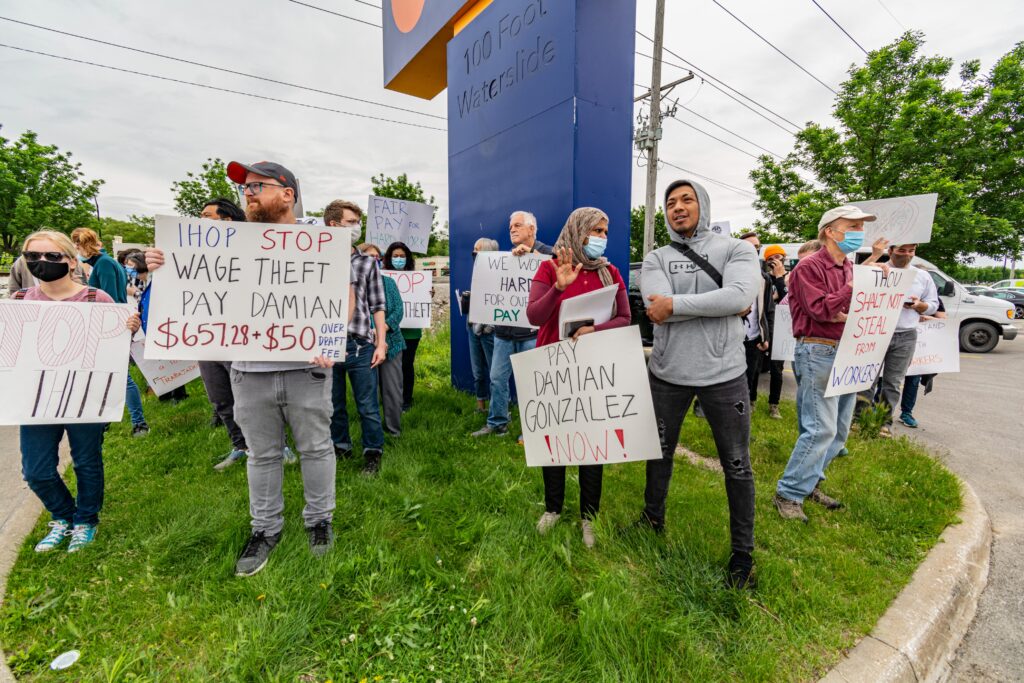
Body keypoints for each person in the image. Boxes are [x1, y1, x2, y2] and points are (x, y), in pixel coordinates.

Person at [147, 160, 343, 576]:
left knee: (316, 448)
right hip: (248, 370)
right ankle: (265, 529)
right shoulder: (221, 244)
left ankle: (319, 521)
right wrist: (164, 264)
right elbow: (190, 285)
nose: (248, 193)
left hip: (306, 368)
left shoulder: (319, 241)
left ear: (287, 194)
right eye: (244, 188)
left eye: (258, 185)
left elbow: (339, 295)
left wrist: (330, 337)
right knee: (261, 454)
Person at [637, 179, 761, 589]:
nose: (677, 207)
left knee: (737, 465)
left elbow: (741, 295)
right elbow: (656, 310)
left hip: (724, 376)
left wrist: (678, 304)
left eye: (686, 200)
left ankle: (742, 555)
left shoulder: (737, 250)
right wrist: (716, 302)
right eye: (670, 202)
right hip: (668, 373)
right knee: (658, 454)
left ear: (702, 205)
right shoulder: (656, 257)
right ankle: (651, 520)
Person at [13, 230, 141, 553]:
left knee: (86, 461)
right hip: (37, 400)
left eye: (52, 256)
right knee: (36, 470)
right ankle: (63, 515)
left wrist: (127, 329)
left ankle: (85, 520)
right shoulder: (19, 303)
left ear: (71, 261)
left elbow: (114, 349)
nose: (42, 262)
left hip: (85, 397)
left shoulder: (97, 300)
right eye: (34, 257)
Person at [774, 205, 888, 523]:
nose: (857, 232)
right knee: (819, 428)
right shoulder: (808, 268)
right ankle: (789, 493)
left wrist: (876, 281)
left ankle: (809, 483)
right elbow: (823, 310)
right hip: (818, 352)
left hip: (847, 352)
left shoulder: (848, 268)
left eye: (859, 227)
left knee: (838, 432)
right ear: (829, 231)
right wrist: (854, 287)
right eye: (851, 226)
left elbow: (847, 308)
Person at [525, 208, 630, 548]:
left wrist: (594, 329)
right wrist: (558, 287)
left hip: (592, 369)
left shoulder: (610, 272)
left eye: (605, 231)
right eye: (595, 230)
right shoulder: (549, 266)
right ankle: (553, 508)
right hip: (553, 365)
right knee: (555, 442)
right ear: (577, 230)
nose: (601, 237)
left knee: (591, 446)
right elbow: (534, 315)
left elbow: (625, 317)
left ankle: (589, 516)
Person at [471, 211, 553, 437]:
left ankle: (533, 429)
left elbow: (559, 272)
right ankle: (497, 423)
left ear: (532, 229)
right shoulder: (506, 259)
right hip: (504, 333)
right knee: (497, 379)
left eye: (518, 225)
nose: (513, 230)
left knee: (533, 382)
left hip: (532, 333)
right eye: (510, 227)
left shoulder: (546, 252)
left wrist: (532, 255)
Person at [323, 199, 388, 475]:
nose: (356, 227)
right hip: (326, 344)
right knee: (333, 404)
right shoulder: (316, 258)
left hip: (360, 343)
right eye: (351, 222)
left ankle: (373, 452)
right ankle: (341, 446)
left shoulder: (366, 263)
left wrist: (381, 343)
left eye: (357, 222)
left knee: (368, 405)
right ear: (333, 224)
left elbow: (377, 303)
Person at [71, 227, 149, 437]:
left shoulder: (104, 264)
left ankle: (139, 423)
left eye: (76, 247)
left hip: (110, 326)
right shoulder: (104, 263)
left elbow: (109, 298)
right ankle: (106, 419)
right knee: (109, 376)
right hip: (111, 324)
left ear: (80, 246)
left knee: (123, 378)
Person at [858, 243, 938, 437]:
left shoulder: (923, 276)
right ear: (891, 251)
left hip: (905, 334)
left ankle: (883, 422)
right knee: (867, 379)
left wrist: (920, 305)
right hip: (876, 331)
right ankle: (859, 419)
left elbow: (933, 305)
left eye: (911, 251)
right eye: (902, 250)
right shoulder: (877, 270)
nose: (907, 255)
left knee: (893, 382)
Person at [737, 232, 785, 416]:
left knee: (752, 373)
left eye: (756, 247)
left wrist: (766, 336)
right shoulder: (726, 271)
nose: (753, 250)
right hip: (730, 334)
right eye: (749, 246)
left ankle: (748, 404)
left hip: (754, 335)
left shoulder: (764, 278)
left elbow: (768, 310)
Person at [361, 243, 406, 436]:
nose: (374, 261)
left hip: (392, 343)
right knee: (367, 392)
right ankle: (372, 432)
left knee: (392, 389)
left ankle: (394, 430)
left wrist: (382, 331)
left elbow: (398, 310)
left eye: (377, 257)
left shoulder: (388, 283)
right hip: (364, 345)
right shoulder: (354, 284)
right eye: (369, 257)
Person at [383, 241, 422, 412]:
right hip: (389, 329)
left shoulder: (418, 279)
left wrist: (428, 294)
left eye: (402, 256)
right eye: (395, 256)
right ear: (389, 258)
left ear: (408, 258)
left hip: (411, 330)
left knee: (406, 364)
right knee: (389, 366)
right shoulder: (381, 278)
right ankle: (390, 398)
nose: (399, 259)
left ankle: (406, 399)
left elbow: (422, 298)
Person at [899, 300, 946, 428]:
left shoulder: (933, 298)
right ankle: (880, 410)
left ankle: (906, 413)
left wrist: (929, 318)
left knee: (913, 380)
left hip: (920, 350)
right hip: (896, 342)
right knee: (887, 379)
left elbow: (943, 319)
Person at [465, 238, 499, 413]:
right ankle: (481, 407)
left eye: (477, 249)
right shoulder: (476, 271)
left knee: (495, 373)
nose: (474, 252)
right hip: (473, 328)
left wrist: (490, 325)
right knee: (477, 372)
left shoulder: (499, 274)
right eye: (473, 249)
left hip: (489, 331)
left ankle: (498, 408)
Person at [760, 244, 788, 418]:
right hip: (765, 325)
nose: (774, 261)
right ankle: (752, 399)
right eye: (770, 259)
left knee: (777, 369)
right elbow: (764, 300)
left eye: (778, 257)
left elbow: (786, 298)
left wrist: (779, 277)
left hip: (782, 327)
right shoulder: (763, 278)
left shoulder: (790, 276)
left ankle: (774, 404)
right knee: (756, 365)